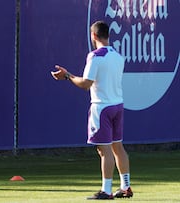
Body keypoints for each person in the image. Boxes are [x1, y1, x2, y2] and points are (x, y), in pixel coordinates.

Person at [51, 21, 133, 200]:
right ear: (108, 35)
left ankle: (107, 190)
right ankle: (125, 186)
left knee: (105, 151)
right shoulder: (118, 56)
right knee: (118, 147)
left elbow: (86, 84)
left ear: (94, 36)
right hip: (117, 105)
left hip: (101, 107)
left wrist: (67, 76)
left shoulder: (95, 56)